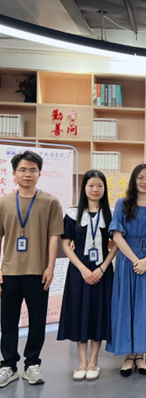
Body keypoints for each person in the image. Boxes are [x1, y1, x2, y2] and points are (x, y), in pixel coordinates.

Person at [0, 150, 63, 388]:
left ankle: (32, 365)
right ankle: (8, 366)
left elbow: (54, 236)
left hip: (38, 272)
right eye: (23, 170)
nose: (28, 174)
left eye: (33, 170)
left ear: (39, 174)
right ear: (14, 174)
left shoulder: (50, 202)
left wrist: (50, 267)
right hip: (9, 272)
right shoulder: (4, 202)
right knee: (8, 322)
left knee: (37, 322)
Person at [107, 164, 146, 376]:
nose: (145, 182)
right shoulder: (122, 203)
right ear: (134, 180)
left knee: (145, 307)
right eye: (141, 177)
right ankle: (128, 356)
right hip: (128, 261)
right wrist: (136, 260)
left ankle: (141, 356)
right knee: (127, 306)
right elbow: (117, 235)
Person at [57, 170, 118, 381]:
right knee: (80, 312)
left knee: (98, 312)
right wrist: (83, 269)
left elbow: (117, 243)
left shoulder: (111, 214)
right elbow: (65, 244)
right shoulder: (72, 214)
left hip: (103, 272)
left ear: (104, 188)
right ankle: (81, 362)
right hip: (78, 271)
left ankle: (94, 361)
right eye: (91, 185)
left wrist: (103, 268)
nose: (95, 189)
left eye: (99, 186)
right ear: (84, 188)